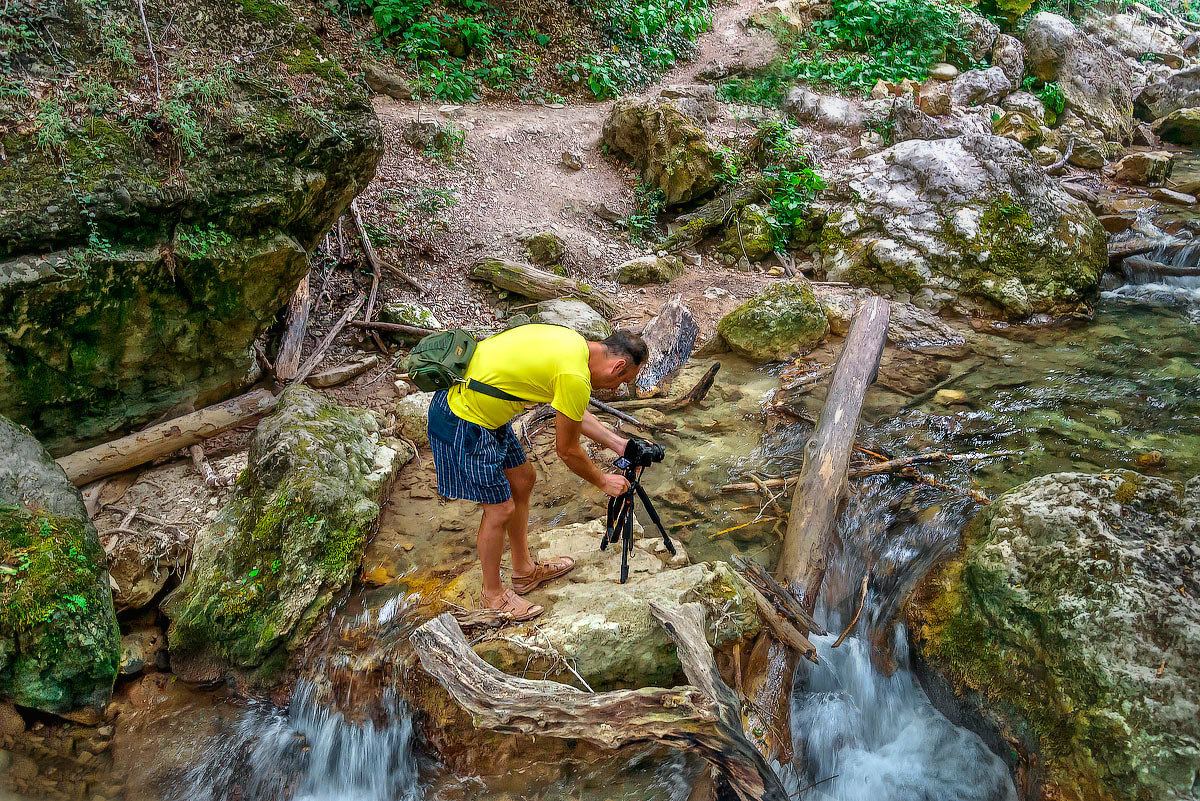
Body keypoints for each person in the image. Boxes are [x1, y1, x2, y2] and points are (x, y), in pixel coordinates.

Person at [426, 324, 649, 621]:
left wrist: (620, 445)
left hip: (481, 407)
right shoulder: (574, 375)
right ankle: (492, 595)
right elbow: (567, 450)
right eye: (624, 381)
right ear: (618, 366)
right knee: (499, 508)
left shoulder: (575, 346)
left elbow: (574, 410)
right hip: (462, 416)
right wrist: (603, 480)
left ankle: (524, 572)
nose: (618, 389)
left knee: (522, 479)